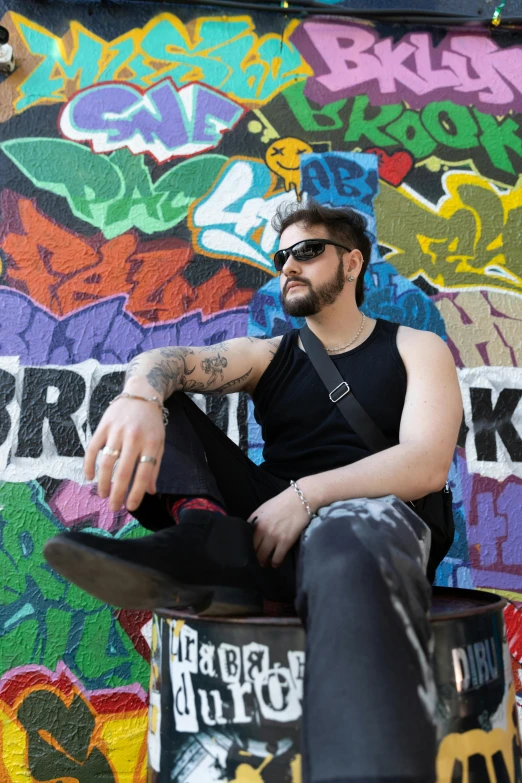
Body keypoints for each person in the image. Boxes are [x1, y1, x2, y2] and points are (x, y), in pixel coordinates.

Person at [44, 200, 463, 783]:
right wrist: (138, 397)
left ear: (352, 264)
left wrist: (306, 496)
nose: (289, 265)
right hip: (270, 538)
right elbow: (175, 360)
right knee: (163, 403)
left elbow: (425, 464)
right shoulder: (270, 354)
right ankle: (204, 539)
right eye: (281, 256)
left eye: (308, 251)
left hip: (372, 532)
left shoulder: (415, 347)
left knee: (348, 529)